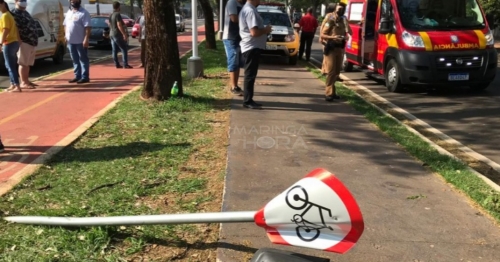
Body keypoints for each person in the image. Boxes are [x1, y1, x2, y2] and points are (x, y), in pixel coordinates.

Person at [239, 0, 272, 109]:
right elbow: (254, 32)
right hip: (251, 47)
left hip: (252, 47)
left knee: (251, 74)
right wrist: (266, 30)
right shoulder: (250, 11)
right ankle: (247, 101)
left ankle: (249, 99)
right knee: (250, 75)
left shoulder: (249, 9)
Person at [321, 2, 351, 102]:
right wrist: (333, 37)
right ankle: (328, 93)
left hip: (340, 48)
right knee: (330, 72)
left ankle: (333, 92)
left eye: (342, 9)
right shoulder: (330, 19)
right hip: (331, 48)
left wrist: (346, 36)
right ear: (335, 9)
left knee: (336, 72)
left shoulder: (343, 20)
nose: (340, 11)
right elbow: (323, 35)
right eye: (339, 9)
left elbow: (350, 32)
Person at [11, 0, 38, 90]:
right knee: (23, 62)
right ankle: (24, 82)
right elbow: (15, 28)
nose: (24, 2)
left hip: (31, 41)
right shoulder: (14, 13)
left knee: (28, 63)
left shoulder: (25, 12)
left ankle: (26, 80)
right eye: (21, 0)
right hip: (24, 41)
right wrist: (19, 41)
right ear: (16, 1)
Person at [64, 0, 91, 84]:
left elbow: (88, 27)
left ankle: (84, 77)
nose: (74, 1)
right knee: (75, 59)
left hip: (80, 41)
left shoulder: (84, 13)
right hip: (70, 41)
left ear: (79, 1)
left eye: (76, 0)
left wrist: (86, 39)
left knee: (83, 59)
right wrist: (65, 35)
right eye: (72, 0)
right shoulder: (69, 12)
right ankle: (77, 76)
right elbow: (65, 24)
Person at [222, 0, 246, 95]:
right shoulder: (232, 2)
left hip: (240, 37)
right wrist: (247, 19)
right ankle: (233, 86)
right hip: (230, 37)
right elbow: (234, 19)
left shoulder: (243, 4)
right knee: (233, 60)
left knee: (238, 62)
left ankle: (236, 85)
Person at [0, 0, 21, 92]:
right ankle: (13, 83)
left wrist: (0, 43)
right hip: (13, 42)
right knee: (10, 64)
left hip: (8, 42)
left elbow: (6, 30)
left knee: (10, 65)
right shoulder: (9, 15)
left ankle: (16, 85)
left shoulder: (5, 16)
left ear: (3, 4)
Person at [109, 1, 132, 69]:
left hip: (112, 34)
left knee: (114, 50)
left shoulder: (111, 15)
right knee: (124, 48)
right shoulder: (117, 14)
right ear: (118, 7)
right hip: (117, 34)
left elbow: (110, 24)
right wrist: (124, 34)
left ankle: (117, 64)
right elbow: (119, 25)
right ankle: (125, 64)